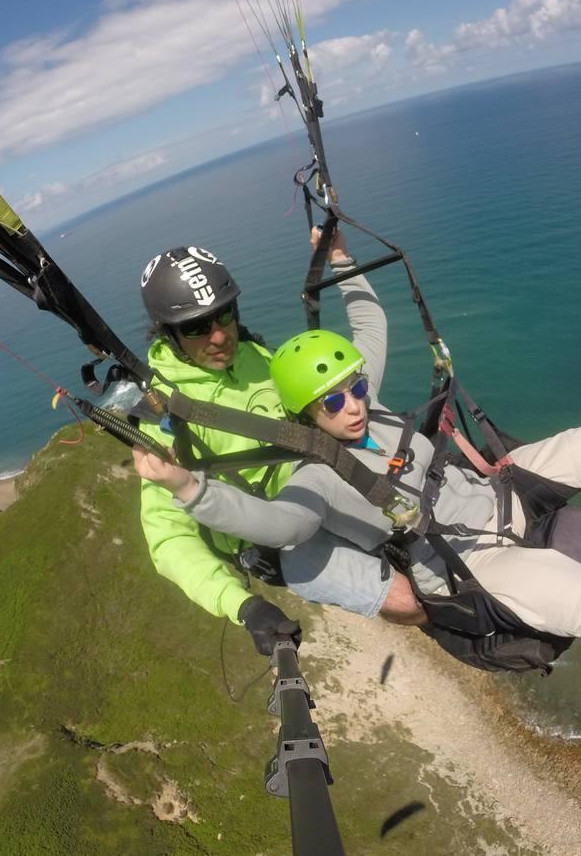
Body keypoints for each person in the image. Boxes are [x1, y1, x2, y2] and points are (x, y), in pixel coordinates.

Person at [134, 231, 581, 791]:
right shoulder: (313, 470)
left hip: (491, 495)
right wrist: (195, 495)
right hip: (468, 553)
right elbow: (285, 526)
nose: (353, 405)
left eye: (357, 388)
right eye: (335, 402)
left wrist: (342, 259)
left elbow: (369, 332)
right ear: (304, 418)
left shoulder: (327, 387)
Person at [136, 242, 431, 657]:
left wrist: (338, 258)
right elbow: (167, 538)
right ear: (168, 332)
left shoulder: (255, 355)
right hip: (280, 536)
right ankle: (447, 632)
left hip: (326, 478)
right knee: (407, 599)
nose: (220, 336)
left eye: (224, 315)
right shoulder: (167, 419)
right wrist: (242, 604)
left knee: (431, 528)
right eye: (197, 327)